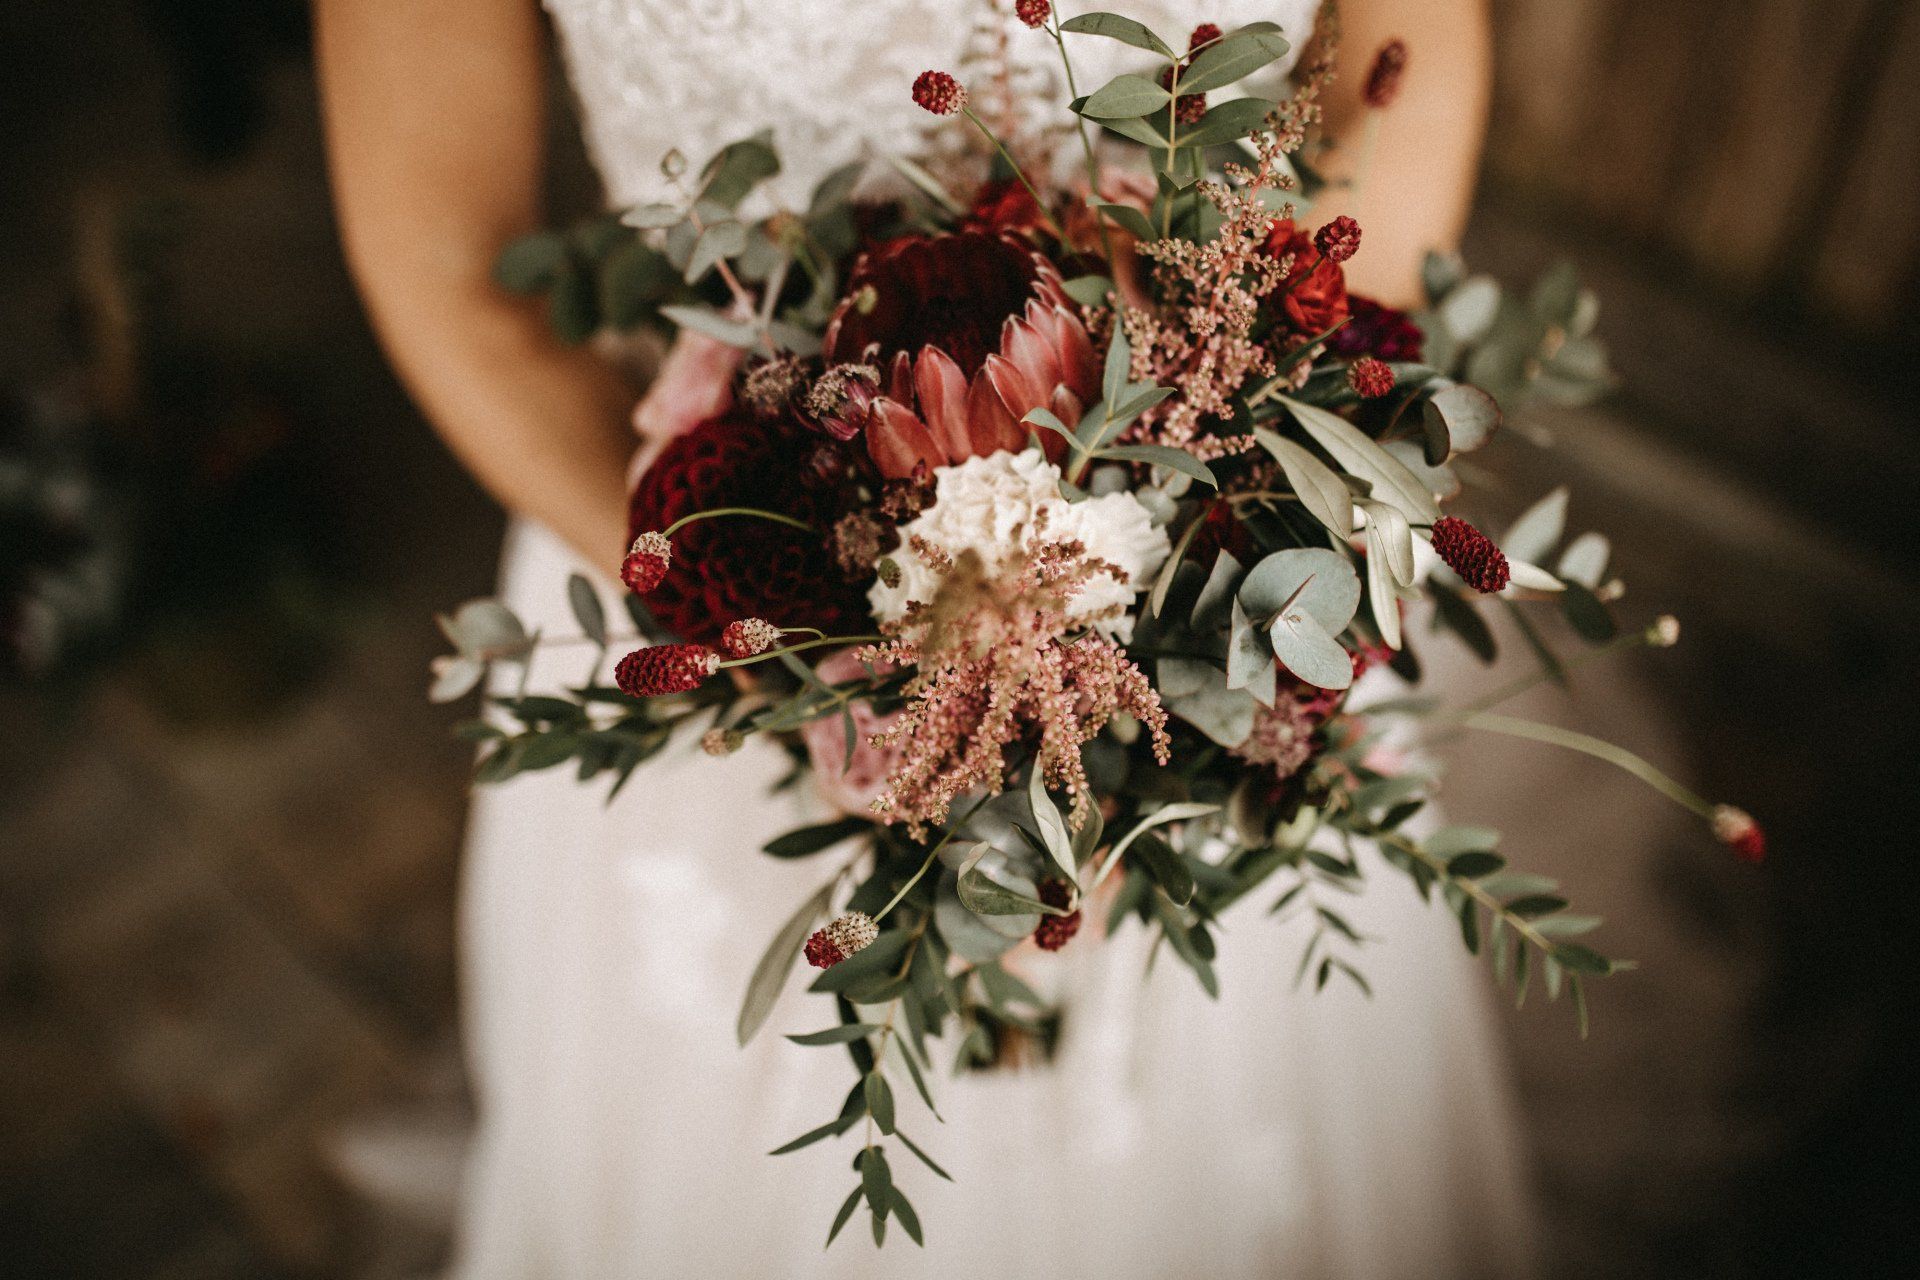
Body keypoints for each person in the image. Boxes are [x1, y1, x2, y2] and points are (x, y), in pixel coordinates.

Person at [316, 3, 1524, 1276]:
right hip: (730, 615)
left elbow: (1405, 61)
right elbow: (449, 266)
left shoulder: (1238, 576)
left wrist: (1247, 504)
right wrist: (804, 645)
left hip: (1228, 580)